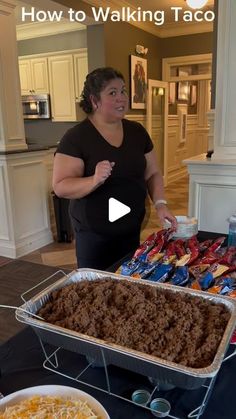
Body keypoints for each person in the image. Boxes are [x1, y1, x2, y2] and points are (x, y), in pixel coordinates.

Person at [52, 67, 177, 270]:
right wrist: (93, 180)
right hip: (94, 233)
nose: (122, 98)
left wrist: (161, 204)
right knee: (96, 287)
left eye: (123, 91)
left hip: (131, 226)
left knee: (126, 280)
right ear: (94, 101)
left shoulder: (137, 132)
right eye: (113, 93)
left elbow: (153, 172)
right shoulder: (76, 138)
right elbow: (61, 186)